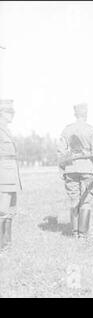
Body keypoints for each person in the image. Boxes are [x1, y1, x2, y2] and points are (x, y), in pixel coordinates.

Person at [57, 103, 93, 238]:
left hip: (70, 168)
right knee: (86, 201)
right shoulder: (91, 130)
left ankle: (74, 232)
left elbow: (61, 152)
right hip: (87, 168)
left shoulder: (66, 130)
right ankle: (83, 234)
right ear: (86, 114)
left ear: (75, 114)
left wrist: (62, 169)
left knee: (73, 200)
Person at [0, 99, 21, 251]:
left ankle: (7, 244)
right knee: (2, 210)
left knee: (10, 210)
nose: (12, 114)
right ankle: (2, 245)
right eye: (9, 111)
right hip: (3, 174)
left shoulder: (6, 129)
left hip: (11, 175)